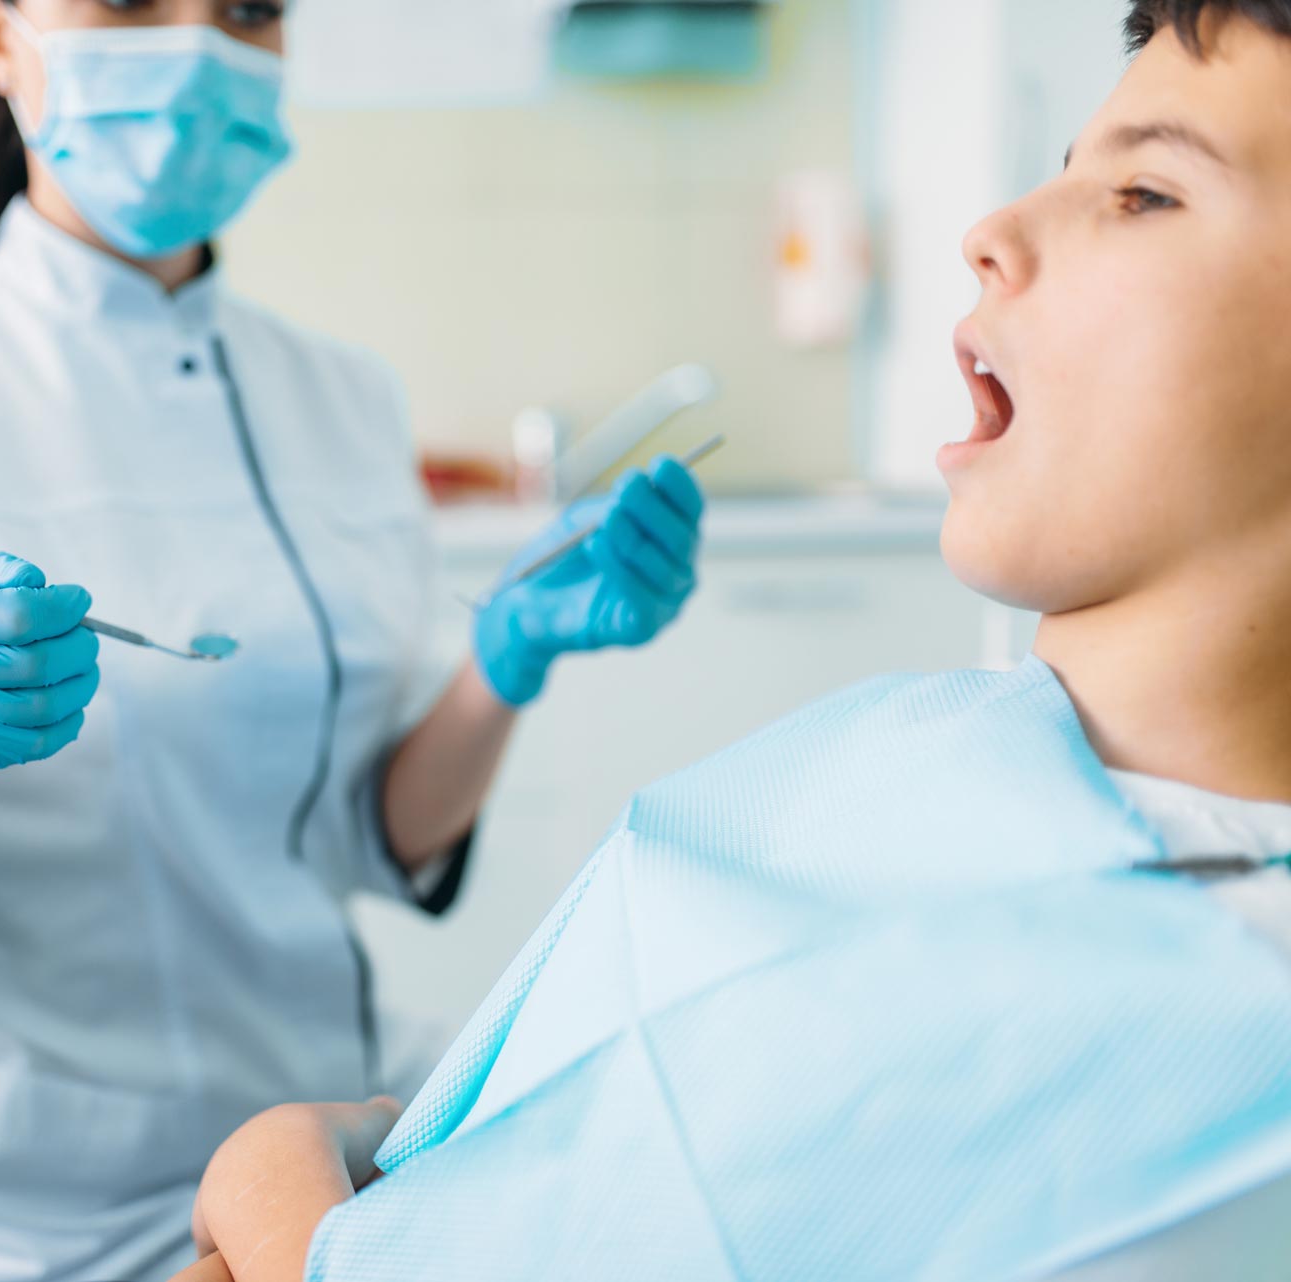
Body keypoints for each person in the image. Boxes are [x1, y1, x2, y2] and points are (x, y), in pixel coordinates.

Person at [176, 3, 1291, 1278]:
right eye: (1063, 174)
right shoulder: (929, 742)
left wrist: (274, 1182)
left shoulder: (1188, 1026)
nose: (988, 233)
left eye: (1146, 192)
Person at [0, 1, 710, 1278]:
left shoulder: (342, 397)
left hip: (339, 1160)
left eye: (244, 9)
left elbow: (376, 834)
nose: (191, 46)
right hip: (44, 1214)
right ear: (1, 39)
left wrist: (503, 666)